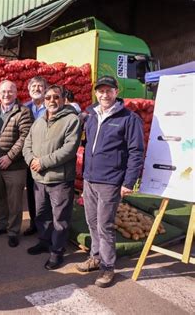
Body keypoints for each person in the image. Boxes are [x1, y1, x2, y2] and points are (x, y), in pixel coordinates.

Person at [76, 76, 144, 287]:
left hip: (110, 181)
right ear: (96, 93)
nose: (104, 95)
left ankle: (107, 267)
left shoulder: (128, 118)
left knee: (104, 225)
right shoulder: (91, 115)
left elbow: (136, 152)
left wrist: (128, 182)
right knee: (92, 222)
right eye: (101, 91)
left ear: (116, 92)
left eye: (109, 91)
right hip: (90, 178)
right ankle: (96, 257)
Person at [23, 85, 82, 270]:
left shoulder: (71, 120)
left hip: (60, 179)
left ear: (63, 99)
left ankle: (57, 252)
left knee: (60, 218)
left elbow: (69, 149)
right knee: (42, 214)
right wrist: (31, 160)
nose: (51, 101)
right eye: (48, 97)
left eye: (56, 97)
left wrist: (43, 162)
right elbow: (27, 144)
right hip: (39, 178)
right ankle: (44, 241)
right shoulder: (39, 120)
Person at [0, 80, 33, 247]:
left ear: (16, 93)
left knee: (14, 200)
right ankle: (1, 224)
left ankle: (13, 231)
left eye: (9, 91)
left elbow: (25, 137)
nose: (6, 95)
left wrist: (10, 157)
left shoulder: (23, 112)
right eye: (3, 91)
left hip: (15, 165)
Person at [22, 76, 48, 236]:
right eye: (34, 87)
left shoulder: (52, 107)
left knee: (46, 194)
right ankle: (34, 222)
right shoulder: (25, 108)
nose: (37, 89)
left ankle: (46, 226)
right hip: (29, 157)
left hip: (46, 157)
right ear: (29, 90)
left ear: (45, 89)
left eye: (40, 86)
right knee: (32, 191)